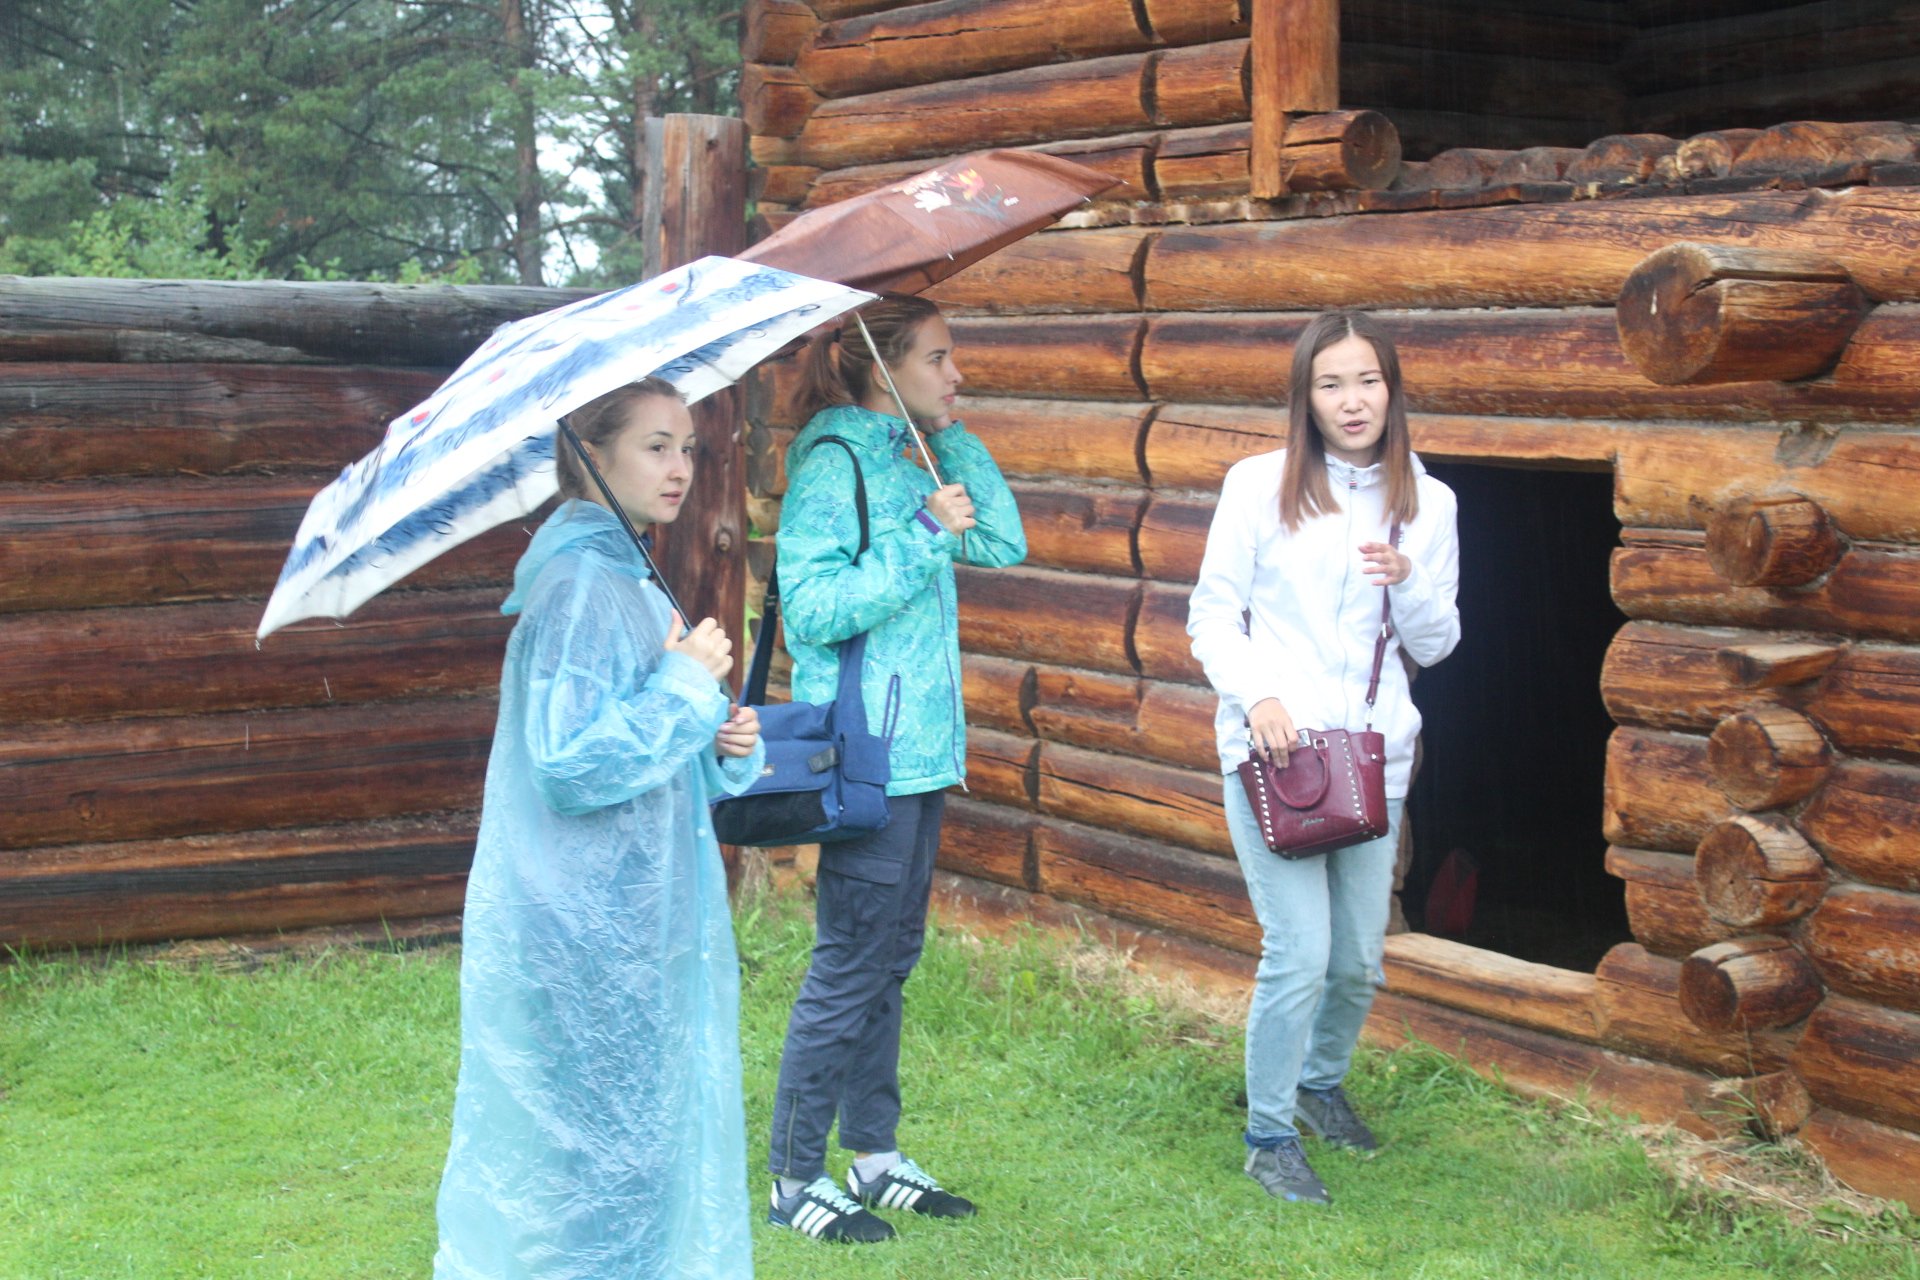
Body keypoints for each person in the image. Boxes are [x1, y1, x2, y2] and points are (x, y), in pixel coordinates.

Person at [433, 378, 765, 1279]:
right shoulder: (581, 584)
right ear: (591, 451)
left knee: (637, 1142)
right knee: (594, 1154)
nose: (681, 468)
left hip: (633, 911)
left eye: (688, 448)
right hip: (585, 920)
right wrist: (686, 687)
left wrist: (714, 738)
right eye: (656, 446)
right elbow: (570, 763)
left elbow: (641, 739)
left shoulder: (628, 575)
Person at [765, 294, 1026, 1242]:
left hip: (919, 757)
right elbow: (813, 609)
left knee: (889, 958)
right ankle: (794, 1178)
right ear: (883, 367)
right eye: (938, 359)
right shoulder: (833, 464)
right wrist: (920, 532)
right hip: (867, 753)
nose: (957, 374)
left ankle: (873, 1157)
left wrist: (946, 441)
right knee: (849, 963)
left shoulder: (910, 454)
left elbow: (1002, 541)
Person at [1186, 311, 1460, 1206]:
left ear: (1392, 389)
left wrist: (1409, 583)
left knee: (1357, 961)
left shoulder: (1429, 502)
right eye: (1331, 383)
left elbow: (1439, 643)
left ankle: (1318, 1084)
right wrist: (1260, 697)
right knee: (1300, 952)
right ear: (1305, 398)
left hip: (1375, 758)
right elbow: (1212, 616)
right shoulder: (1258, 486)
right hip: (1278, 752)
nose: (1352, 401)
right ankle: (1269, 1137)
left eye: (1367, 381)